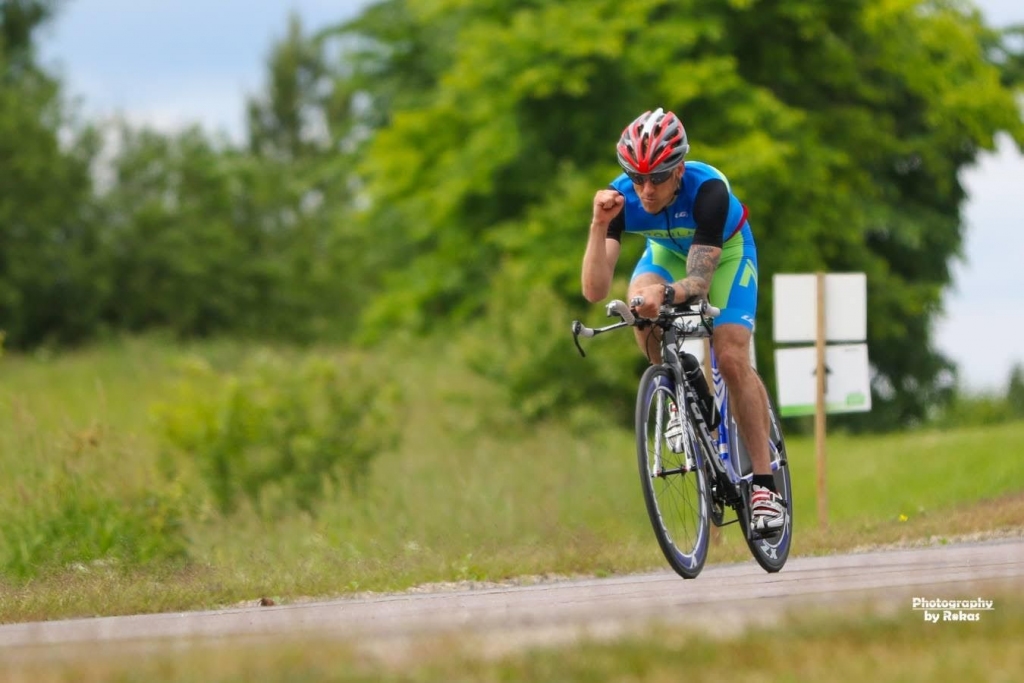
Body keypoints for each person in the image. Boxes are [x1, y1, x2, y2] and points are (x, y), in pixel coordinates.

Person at [580, 107, 785, 532]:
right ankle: (680, 390)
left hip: (723, 256)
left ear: (678, 170)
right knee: (638, 307)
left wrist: (666, 293)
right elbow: (595, 290)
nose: (646, 189)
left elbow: (699, 281)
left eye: (657, 177)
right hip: (665, 253)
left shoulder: (708, 191)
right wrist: (599, 226)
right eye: (637, 178)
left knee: (729, 356)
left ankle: (766, 486)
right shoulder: (622, 198)